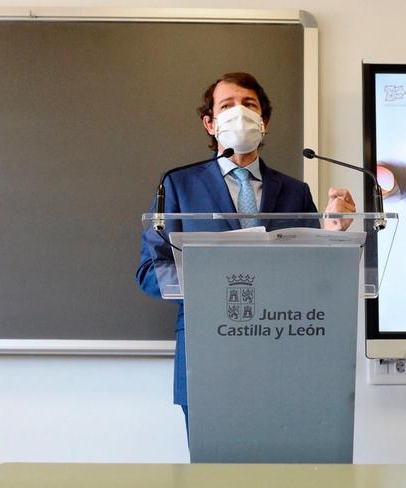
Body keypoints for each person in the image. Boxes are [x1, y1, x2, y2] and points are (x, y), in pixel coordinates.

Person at [135, 72, 356, 427]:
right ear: (210, 123)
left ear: (264, 120)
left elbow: (318, 280)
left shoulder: (294, 191)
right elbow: (150, 272)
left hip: (283, 351)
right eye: (227, 106)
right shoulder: (176, 184)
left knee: (278, 477)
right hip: (205, 356)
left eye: (249, 105)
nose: (239, 113)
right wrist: (212, 279)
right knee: (211, 480)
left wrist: (332, 234)